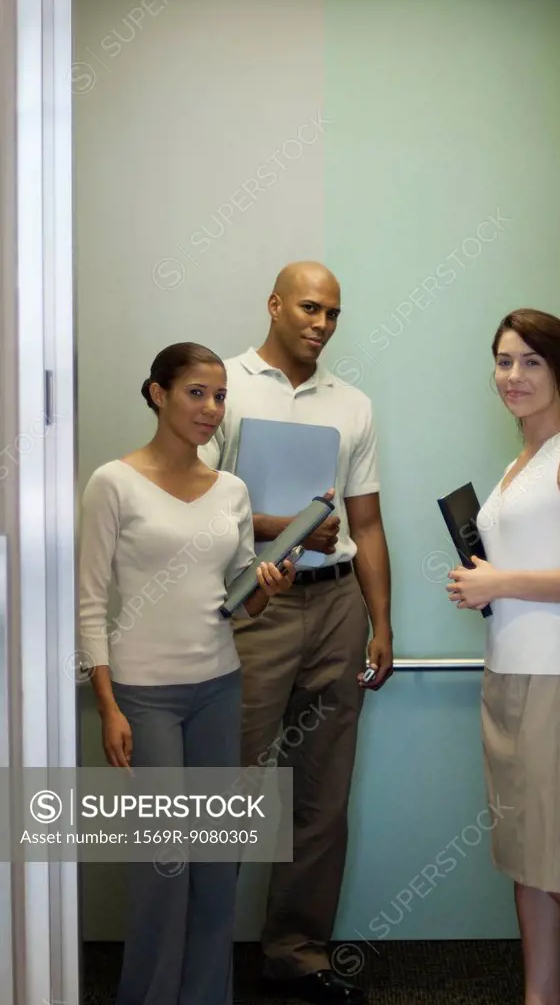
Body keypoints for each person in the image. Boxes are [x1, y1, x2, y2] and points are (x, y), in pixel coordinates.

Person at [78, 341, 296, 1005]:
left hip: (219, 687)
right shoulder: (112, 482)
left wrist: (266, 585)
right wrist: (110, 706)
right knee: (161, 870)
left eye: (220, 395)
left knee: (212, 868)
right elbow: (89, 603)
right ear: (158, 394)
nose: (210, 408)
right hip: (145, 698)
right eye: (196, 393)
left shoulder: (232, 490)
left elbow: (236, 602)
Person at [201, 261, 393, 1005]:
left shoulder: (354, 405)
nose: (321, 323)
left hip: (337, 604)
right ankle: (202, 956)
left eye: (334, 314)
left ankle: (296, 954)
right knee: (229, 785)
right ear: (275, 305)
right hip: (255, 606)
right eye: (310, 308)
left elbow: (368, 522)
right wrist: (286, 529)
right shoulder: (223, 384)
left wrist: (382, 622)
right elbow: (195, 503)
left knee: (320, 791)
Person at [446, 309, 560, 1005]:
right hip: (505, 671)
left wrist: (498, 581)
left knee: (557, 861)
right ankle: (540, 996)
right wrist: (482, 584)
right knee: (525, 860)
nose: (512, 376)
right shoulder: (516, 463)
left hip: (554, 677)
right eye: (503, 360)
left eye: (530, 361)